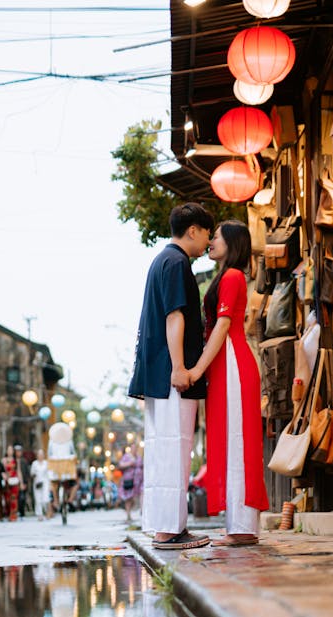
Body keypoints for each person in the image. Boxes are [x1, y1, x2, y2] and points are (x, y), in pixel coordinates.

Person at [128, 202, 214, 551]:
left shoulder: (162, 261)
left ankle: (165, 528)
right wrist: (180, 367)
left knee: (165, 449)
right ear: (192, 229)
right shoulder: (178, 263)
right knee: (175, 448)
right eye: (207, 232)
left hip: (157, 374)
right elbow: (174, 317)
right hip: (171, 374)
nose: (208, 241)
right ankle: (170, 530)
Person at [187, 221, 269, 546]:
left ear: (231, 243)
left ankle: (244, 528)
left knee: (237, 441)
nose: (211, 242)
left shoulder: (232, 276)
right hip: (224, 365)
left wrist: (196, 370)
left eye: (216, 237)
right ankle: (237, 525)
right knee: (228, 439)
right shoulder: (225, 276)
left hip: (232, 363)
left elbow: (222, 326)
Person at [117, 446, 139, 523]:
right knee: (128, 498)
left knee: (133, 499)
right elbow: (120, 465)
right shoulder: (127, 456)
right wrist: (129, 463)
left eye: (136, 448)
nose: (134, 449)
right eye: (133, 448)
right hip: (128, 480)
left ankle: (129, 513)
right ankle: (128, 514)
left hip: (137, 482)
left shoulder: (138, 456)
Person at [30, 448, 51, 520]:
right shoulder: (34, 463)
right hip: (37, 483)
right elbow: (32, 473)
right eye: (39, 454)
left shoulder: (46, 463)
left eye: (42, 454)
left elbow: (49, 474)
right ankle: (40, 514)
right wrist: (34, 475)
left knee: (45, 498)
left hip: (45, 482)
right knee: (38, 499)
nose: (40, 456)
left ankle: (48, 512)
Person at [3, 447, 20, 522]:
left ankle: (13, 515)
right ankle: (8, 513)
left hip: (14, 481)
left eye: (11, 450)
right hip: (7, 481)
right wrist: (4, 476)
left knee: (14, 498)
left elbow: (18, 471)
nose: (10, 451)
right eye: (8, 450)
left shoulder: (16, 460)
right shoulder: (4, 460)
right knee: (7, 499)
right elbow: (3, 471)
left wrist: (21, 481)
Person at [13, 443, 30, 518]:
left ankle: (22, 512)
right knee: (15, 498)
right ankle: (15, 512)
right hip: (14, 482)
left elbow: (27, 473)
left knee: (22, 498)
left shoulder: (24, 461)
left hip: (23, 483)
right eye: (16, 451)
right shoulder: (12, 461)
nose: (18, 453)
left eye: (19, 451)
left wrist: (25, 483)